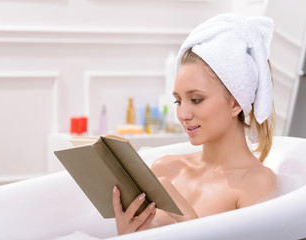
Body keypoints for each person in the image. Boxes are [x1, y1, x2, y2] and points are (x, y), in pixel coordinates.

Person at [112, 13, 278, 235]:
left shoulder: (256, 183)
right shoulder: (165, 169)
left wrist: (188, 220)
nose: (182, 114)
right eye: (178, 101)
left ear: (235, 103)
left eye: (196, 100)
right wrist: (125, 235)